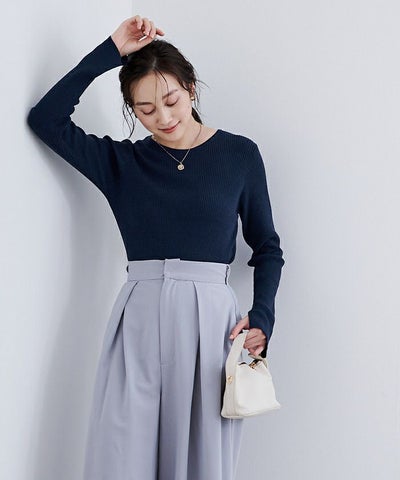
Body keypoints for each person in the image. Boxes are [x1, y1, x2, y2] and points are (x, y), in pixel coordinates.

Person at [26, 15, 285, 480]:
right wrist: (111, 50)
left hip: (211, 324)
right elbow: (45, 119)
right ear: (132, 110)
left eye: (171, 100)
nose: (163, 119)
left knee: (200, 460)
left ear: (191, 88)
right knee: (122, 456)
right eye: (145, 109)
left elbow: (266, 247)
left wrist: (262, 316)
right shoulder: (121, 163)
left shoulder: (239, 155)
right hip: (139, 319)